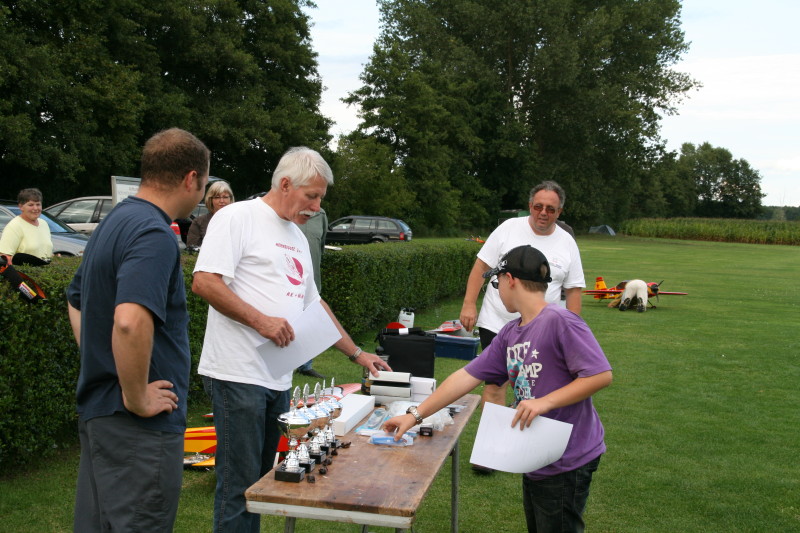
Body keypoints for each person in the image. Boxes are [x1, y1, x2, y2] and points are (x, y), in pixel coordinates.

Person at [192, 146, 391, 533]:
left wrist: (357, 354)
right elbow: (205, 282)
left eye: (320, 198)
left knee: (260, 484)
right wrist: (261, 321)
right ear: (285, 184)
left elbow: (315, 305)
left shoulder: (296, 236)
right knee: (238, 487)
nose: (316, 207)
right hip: (236, 374)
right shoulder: (237, 217)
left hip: (277, 378)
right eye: (311, 196)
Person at [385, 245, 612, 533]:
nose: (497, 291)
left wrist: (544, 402)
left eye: (496, 283)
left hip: (568, 457)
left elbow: (600, 375)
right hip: (538, 453)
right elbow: (465, 377)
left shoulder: (560, 320)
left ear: (510, 279)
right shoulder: (510, 332)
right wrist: (414, 415)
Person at [66, 128, 210, 532]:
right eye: (204, 183)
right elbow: (129, 321)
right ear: (190, 178)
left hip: (103, 416)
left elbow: (75, 300)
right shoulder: (153, 233)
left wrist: (102, 358)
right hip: (137, 428)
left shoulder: (115, 221)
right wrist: (136, 396)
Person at [460, 181, 585, 438]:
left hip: (543, 331)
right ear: (530, 206)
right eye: (538, 207)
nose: (543, 213)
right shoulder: (508, 228)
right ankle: (493, 443)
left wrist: (571, 331)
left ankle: (530, 442)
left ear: (560, 212)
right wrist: (469, 304)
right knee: (495, 386)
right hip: (497, 322)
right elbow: (481, 267)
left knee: (537, 388)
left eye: (550, 209)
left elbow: (573, 290)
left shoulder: (567, 242)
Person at [295, 207, 328, 379]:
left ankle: (305, 365)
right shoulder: (286, 212)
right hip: (287, 283)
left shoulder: (321, 215)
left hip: (312, 282)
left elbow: (320, 247)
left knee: (308, 325)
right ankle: (280, 365)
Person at [0, 188, 53, 266]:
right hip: (24, 273)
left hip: (45, 272)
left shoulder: (44, 224)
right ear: (21, 207)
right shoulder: (14, 226)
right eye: (31, 205)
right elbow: (5, 257)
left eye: (38, 204)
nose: (35, 208)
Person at [186, 179, 234, 247]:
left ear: (230, 199)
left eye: (225, 197)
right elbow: (192, 248)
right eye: (217, 197)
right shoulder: (199, 222)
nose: (222, 201)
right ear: (210, 200)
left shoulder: (238, 220)